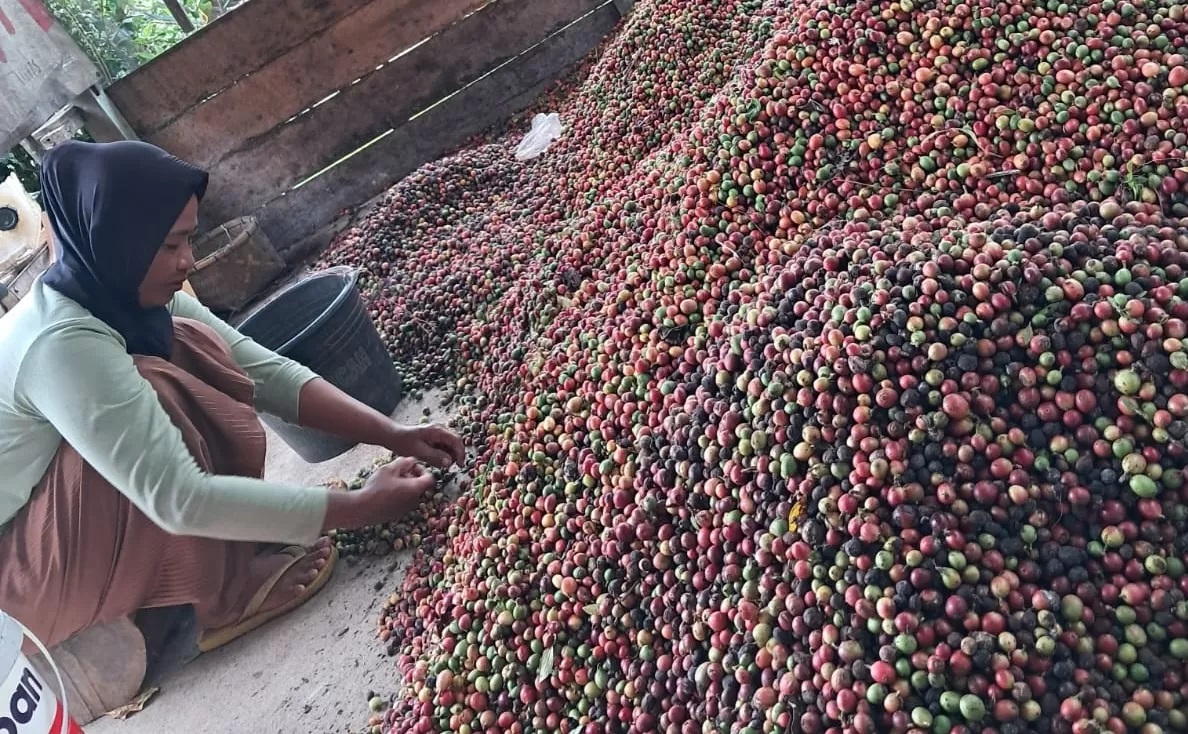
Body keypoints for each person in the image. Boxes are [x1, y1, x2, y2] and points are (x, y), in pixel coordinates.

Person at [0, 141, 464, 665]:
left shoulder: (119, 289)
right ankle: (228, 594)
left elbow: (262, 370)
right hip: (10, 594)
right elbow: (179, 499)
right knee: (152, 386)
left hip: (38, 530)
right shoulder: (61, 343)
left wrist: (391, 433)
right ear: (121, 242)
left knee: (188, 344)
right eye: (172, 245)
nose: (188, 261)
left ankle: (199, 562)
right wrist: (357, 510)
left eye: (188, 240)